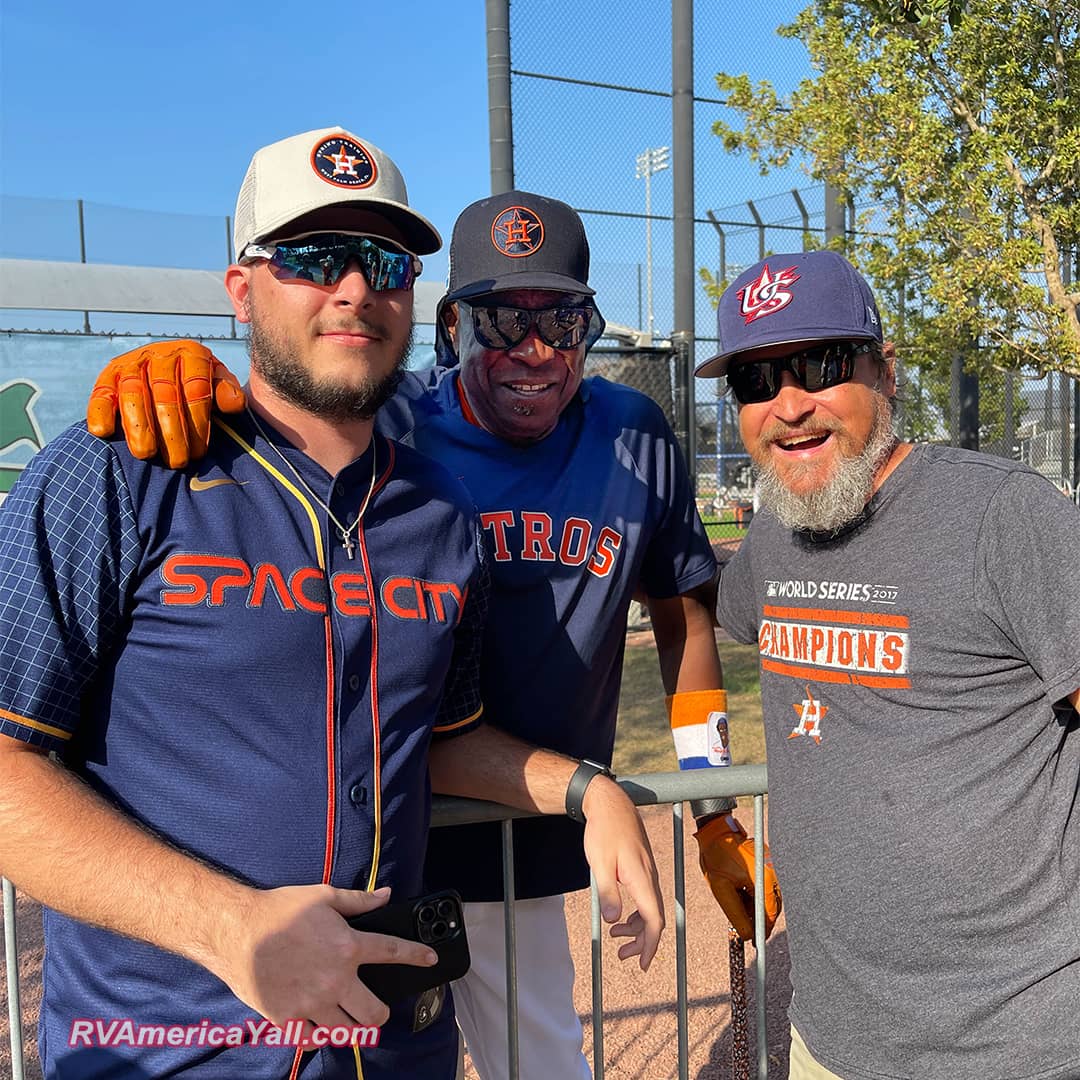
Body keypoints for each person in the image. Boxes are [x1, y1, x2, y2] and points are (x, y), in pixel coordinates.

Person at [0, 127, 666, 1080]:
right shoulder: (116, 469)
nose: (354, 288)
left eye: (382, 261)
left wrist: (587, 789)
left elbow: (442, 736)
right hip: (165, 1051)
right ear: (242, 288)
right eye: (313, 257)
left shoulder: (440, 516)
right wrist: (230, 928)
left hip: (395, 1045)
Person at [696, 249, 1080, 1080]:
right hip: (830, 1039)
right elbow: (694, 622)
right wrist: (710, 809)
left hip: (1017, 1045)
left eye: (821, 365)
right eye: (757, 381)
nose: (789, 405)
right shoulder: (772, 534)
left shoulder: (1001, 516)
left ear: (886, 372)